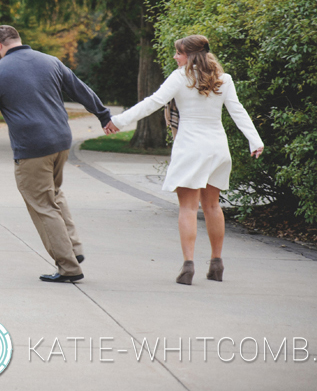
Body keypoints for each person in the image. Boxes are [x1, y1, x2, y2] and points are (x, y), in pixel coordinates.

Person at [110, 34, 264, 285]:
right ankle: (216, 263)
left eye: (178, 53)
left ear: (190, 55)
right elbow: (238, 111)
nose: (175, 57)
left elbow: (153, 102)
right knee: (213, 206)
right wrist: (255, 140)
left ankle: (188, 265)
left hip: (191, 147)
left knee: (188, 207)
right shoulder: (223, 79)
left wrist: (119, 121)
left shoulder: (180, 77)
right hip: (217, 148)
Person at [0, 24, 118, 284]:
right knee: (54, 193)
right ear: (18, 39)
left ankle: (68, 266)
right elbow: (80, 88)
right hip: (61, 141)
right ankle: (73, 248)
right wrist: (102, 114)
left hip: (33, 147)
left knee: (41, 204)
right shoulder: (50, 61)